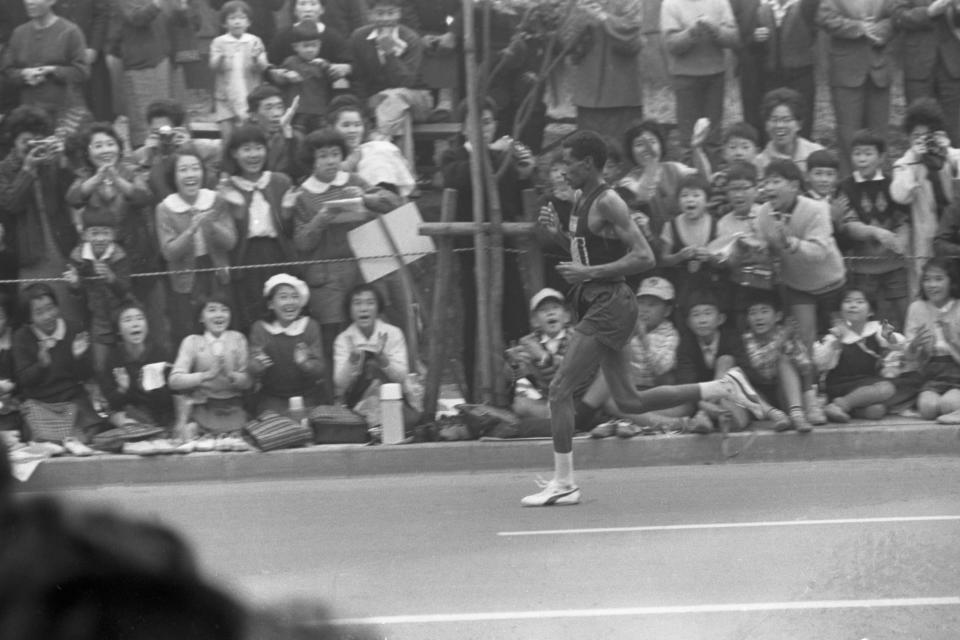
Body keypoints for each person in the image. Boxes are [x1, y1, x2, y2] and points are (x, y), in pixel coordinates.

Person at [523, 130, 764, 507]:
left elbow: (644, 257)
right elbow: (587, 251)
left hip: (609, 304)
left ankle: (564, 482)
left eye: (567, 161)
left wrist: (589, 274)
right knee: (631, 401)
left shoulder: (610, 201)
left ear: (587, 164)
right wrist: (557, 237)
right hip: (599, 302)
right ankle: (721, 388)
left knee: (559, 391)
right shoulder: (580, 200)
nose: (561, 170)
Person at [442, 99, 533, 401]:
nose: (483, 128)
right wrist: (493, 154)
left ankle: (519, 389)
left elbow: (517, 205)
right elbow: (460, 178)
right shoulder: (453, 156)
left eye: (489, 122)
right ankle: (475, 395)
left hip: (504, 249)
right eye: (477, 122)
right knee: (474, 324)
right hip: (470, 254)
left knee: (515, 320)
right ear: (465, 126)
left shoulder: (503, 158)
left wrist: (525, 174)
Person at [292, 128, 400, 363]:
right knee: (334, 342)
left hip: (365, 272)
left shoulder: (355, 181)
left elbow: (393, 203)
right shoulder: (302, 195)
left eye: (335, 154)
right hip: (327, 279)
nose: (330, 161)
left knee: (374, 335)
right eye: (322, 156)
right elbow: (301, 242)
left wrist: (364, 197)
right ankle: (336, 398)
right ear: (312, 161)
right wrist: (322, 217)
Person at [754, 159, 846, 423]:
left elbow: (819, 251)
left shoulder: (817, 209)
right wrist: (758, 250)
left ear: (794, 185)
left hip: (833, 284)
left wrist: (790, 242)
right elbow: (766, 247)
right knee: (804, 344)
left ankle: (838, 398)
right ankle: (811, 401)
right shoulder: (763, 213)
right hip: (796, 287)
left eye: (776, 181)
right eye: (767, 182)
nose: (769, 187)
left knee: (837, 342)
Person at [0, 106, 81, 326]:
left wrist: (62, 159)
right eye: (26, 141)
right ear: (13, 140)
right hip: (29, 256)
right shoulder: (3, 170)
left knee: (70, 314)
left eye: (38, 140)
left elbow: (74, 194)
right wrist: (27, 170)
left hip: (61, 247)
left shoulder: (51, 161)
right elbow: (11, 203)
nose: (32, 146)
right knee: (37, 315)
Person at [586, 277, 687, 438]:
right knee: (609, 400)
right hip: (630, 392)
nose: (645, 310)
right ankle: (654, 424)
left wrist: (643, 337)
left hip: (656, 392)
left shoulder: (671, 334)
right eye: (642, 303)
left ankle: (630, 423)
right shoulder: (625, 326)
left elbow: (662, 368)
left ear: (667, 310)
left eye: (652, 305)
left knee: (685, 405)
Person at [155, 149, 238, 346]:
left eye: (195, 168)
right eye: (183, 170)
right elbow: (169, 252)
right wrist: (190, 231)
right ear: (173, 177)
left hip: (216, 273)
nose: (190, 174)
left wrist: (211, 225)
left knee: (223, 327)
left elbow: (231, 241)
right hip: (186, 278)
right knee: (190, 331)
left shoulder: (216, 200)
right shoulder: (165, 208)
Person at [218, 123, 296, 331]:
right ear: (234, 153)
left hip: (277, 254)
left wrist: (287, 212)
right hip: (245, 256)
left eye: (258, 148)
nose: (253, 155)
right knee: (250, 312)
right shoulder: (227, 187)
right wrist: (237, 210)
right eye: (246, 149)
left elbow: (289, 231)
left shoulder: (280, 182)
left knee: (280, 309)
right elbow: (227, 236)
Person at [12, 284, 101, 453]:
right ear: (29, 318)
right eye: (39, 312)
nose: (48, 316)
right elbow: (24, 381)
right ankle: (59, 442)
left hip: (72, 399)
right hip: (40, 402)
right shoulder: (21, 337)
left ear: (57, 306)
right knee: (37, 431)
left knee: (90, 431)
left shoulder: (74, 329)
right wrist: (41, 365)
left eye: (50, 308)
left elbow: (87, 375)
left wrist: (79, 357)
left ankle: (65, 441)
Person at [837, 129, 911, 329]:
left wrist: (902, 240)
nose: (862, 159)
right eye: (857, 153)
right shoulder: (845, 187)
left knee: (905, 315)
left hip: (895, 265)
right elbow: (849, 225)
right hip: (863, 269)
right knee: (868, 320)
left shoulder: (892, 184)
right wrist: (876, 232)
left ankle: (906, 354)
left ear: (881, 157)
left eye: (868, 153)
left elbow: (903, 219)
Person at [891, 98, 960, 296]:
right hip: (926, 237)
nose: (921, 140)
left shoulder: (951, 155)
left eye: (926, 135)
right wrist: (916, 161)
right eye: (916, 136)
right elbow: (900, 195)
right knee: (927, 288)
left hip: (953, 234)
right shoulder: (905, 163)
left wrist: (945, 151)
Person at [817, 0, 894, 173]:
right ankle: (850, 190)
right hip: (846, 71)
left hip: (879, 70)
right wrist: (859, 28)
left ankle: (879, 188)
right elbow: (825, 17)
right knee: (848, 136)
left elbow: (895, 16)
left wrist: (880, 30)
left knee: (879, 134)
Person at [168, 292, 250, 451]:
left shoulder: (238, 339)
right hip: (203, 407)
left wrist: (232, 375)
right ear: (201, 317)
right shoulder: (192, 341)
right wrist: (206, 375)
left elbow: (248, 382)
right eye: (212, 310)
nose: (219, 315)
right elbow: (174, 380)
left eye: (224, 310)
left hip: (233, 407)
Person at [109, 0, 197, 147]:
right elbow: (137, 18)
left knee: (175, 116)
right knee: (146, 119)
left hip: (170, 61)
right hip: (142, 64)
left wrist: (183, 10)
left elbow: (189, 24)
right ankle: (147, 161)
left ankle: (180, 158)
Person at [660, 0, 739, 159]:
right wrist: (693, 31)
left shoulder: (720, 2)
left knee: (713, 138)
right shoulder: (671, 4)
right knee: (689, 139)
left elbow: (733, 39)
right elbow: (671, 45)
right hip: (685, 78)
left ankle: (713, 177)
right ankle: (689, 180)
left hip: (715, 76)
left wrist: (715, 28)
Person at [333, 283, 416, 430]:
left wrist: (383, 360)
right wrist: (352, 359)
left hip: (393, 398)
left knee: (373, 366)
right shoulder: (343, 339)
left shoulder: (393, 333)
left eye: (370, 303)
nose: (363, 309)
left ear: (378, 307)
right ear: (349, 310)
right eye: (357, 303)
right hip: (357, 402)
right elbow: (340, 385)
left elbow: (402, 376)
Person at [64, 204, 133, 374]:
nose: (100, 238)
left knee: (123, 362)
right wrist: (74, 284)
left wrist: (111, 279)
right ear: (85, 235)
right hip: (96, 318)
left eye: (105, 232)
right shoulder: (78, 256)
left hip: (120, 313)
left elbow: (125, 290)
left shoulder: (119, 255)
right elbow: (76, 293)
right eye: (95, 233)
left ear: (113, 234)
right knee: (100, 366)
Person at [813, 288, 902, 422]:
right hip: (840, 385)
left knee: (876, 410)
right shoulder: (836, 334)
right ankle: (839, 405)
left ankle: (846, 409)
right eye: (848, 301)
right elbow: (820, 363)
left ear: (871, 311)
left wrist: (890, 337)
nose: (853, 305)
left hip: (865, 383)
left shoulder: (876, 329)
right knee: (887, 388)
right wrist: (835, 344)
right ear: (840, 310)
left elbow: (900, 344)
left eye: (859, 302)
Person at [349, 0, 431, 142]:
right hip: (375, 101)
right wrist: (366, 104)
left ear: (399, 13)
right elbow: (358, 78)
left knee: (394, 99)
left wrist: (389, 53)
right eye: (380, 13)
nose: (386, 19)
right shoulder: (359, 38)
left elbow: (406, 82)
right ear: (370, 15)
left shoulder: (411, 39)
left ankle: (381, 141)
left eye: (391, 13)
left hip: (415, 97)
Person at [248, 273, 327, 417]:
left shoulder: (310, 326)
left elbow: (320, 369)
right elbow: (252, 369)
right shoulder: (260, 328)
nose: (290, 302)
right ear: (270, 304)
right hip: (272, 399)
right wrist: (258, 365)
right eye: (283, 297)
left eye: (295, 297)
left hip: (307, 398)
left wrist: (305, 364)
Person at [615, 120, 700, 252]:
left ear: (661, 146)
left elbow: (703, 180)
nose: (646, 148)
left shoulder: (675, 169)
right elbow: (643, 196)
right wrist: (652, 163)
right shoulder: (627, 181)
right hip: (651, 248)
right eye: (639, 144)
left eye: (652, 142)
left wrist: (697, 148)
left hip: (684, 243)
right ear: (631, 151)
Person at [735, 289, 814, 431]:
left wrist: (792, 344)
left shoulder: (786, 332)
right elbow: (759, 364)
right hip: (763, 400)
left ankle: (797, 416)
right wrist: (781, 340)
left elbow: (806, 366)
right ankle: (779, 418)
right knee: (738, 377)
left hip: (786, 394)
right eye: (753, 313)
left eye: (764, 311)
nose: (758, 317)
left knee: (784, 361)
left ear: (777, 316)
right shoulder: (747, 339)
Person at [0, 0, 90, 125]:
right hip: (30, 116)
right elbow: (6, 70)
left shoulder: (70, 32)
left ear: (51, 1)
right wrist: (23, 75)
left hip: (63, 115)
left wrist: (53, 70)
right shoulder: (19, 33)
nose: (29, 2)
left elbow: (82, 72)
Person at [567, 0, 645, 142]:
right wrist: (580, 17)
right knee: (589, 154)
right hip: (588, 97)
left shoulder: (631, 3)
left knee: (624, 153)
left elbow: (632, 40)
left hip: (621, 96)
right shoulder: (579, 4)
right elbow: (566, 44)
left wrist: (603, 17)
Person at [675, 289, 751, 433]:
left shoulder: (732, 338)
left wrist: (707, 404)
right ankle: (706, 414)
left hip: (732, 396)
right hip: (699, 400)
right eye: (696, 315)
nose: (702, 320)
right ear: (688, 322)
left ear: (720, 319)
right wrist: (702, 404)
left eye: (708, 313)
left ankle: (704, 416)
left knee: (725, 361)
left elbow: (747, 373)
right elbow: (685, 382)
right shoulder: (686, 344)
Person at [97, 302, 175, 435]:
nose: (135, 324)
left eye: (140, 318)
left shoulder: (159, 354)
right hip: (127, 417)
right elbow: (111, 403)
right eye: (127, 320)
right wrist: (122, 389)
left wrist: (150, 389)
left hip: (157, 417)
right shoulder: (114, 357)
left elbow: (168, 401)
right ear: (118, 330)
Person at [505, 288, 579, 422]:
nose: (551, 313)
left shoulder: (577, 337)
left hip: (575, 397)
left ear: (566, 316)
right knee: (520, 405)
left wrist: (542, 355)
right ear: (535, 321)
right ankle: (557, 418)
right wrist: (514, 364)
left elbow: (574, 369)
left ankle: (564, 418)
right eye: (544, 310)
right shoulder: (528, 342)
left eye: (555, 308)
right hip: (546, 399)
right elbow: (517, 378)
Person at [892, 0, 960, 145]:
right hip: (918, 63)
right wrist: (928, 13)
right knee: (919, 125)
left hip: (953, 64)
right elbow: (897, 17)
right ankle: (922, 166)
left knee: (956, 129)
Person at [903, 258, 960, 422]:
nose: (932, 285)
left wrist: (952, 340)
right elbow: (910, 356)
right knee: (928, 409)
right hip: (931, 373)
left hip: (956, 369)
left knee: (949, 404)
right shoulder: (917, 308)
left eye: (938, 279)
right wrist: (914, 346)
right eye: (927, 279)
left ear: (952, 281)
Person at [659, 174, 724, 311]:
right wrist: (679, 256)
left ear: (707, 201)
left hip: (711, 289)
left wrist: (710, 257)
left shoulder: (717, 225)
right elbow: (663, 260)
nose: (690, 200)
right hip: (681, 289)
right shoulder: (670, 226)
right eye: (685, 195)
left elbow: (724, 261)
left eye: (696, 195)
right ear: (678, 201)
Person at [329, 94, 416, 198]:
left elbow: (391, 200)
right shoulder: (324, 151)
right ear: (332, 127)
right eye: (346, 125)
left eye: (357, 125)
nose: (352, 131)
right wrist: (349, 164)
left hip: (383, 206)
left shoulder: (378, 149)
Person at [210, 0, 269, 140]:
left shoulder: (255, 41)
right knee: (228, 138)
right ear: (224, 23)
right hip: (225, 97)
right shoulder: (219, 42)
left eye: (242, 18)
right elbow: (214, 66)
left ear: (248, 22)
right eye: (232, 18)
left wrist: (256, 58)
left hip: (250, 94)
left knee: (251, 135)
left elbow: (263, 66)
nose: (237, 22)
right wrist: (222, 57)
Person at [267, 0, 353, 93]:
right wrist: (281, 74)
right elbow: (270, 67)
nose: (308, 9)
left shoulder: (334, 37)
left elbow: (350, 66)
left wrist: (345, 68)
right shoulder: (282, 36)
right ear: (294, 10)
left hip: (327, 95)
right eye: (302, 4)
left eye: (313, 4)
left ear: (322, 9)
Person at [273, 19, 336, 134]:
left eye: (314, 45)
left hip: (319, 111)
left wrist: (327, 67)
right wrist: (287, 75)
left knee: (321, 136)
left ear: (319, 45)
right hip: (298, 111)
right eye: (305, 46)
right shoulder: (290, 62)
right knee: (298, 137)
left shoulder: (322, 63)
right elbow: (278, 80)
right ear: (295, 47)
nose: (310, 50)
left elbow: (332, 80)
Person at [754, 87, 823, 175]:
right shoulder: (759, 164)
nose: (779, 125)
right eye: (774, 120)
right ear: (766, 125)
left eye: (786, 120)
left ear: (799, 124)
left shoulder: (816, 153)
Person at [246, 84, 305, 181]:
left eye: (279, 107)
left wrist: (288, 136)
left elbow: (300, 172)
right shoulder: (243, 140)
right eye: (268, 108)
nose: (276, 113)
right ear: (253, 116)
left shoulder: (296, 137)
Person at [707, 122, 761, 220]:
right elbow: (713, 210)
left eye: (745, 147)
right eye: (732, 147)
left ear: (756, 152)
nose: (738, 153)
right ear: (724, 153)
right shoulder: (719, 180)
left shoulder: (761, 178)